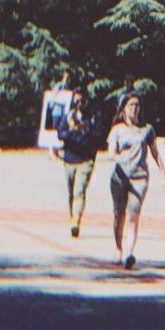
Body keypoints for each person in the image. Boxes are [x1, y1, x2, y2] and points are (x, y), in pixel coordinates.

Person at [104, 90, 165, 267]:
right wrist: (117, 157)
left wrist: (163, 173)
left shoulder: (147, 130)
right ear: (123, 109)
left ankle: (129, 252)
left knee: (134, 214)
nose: (134, 109)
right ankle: (118, 248)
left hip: (139, 178)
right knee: (119, 214)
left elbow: (155, 152)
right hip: (120, 177)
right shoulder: (117, 130)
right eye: (131, 105)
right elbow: (111, 151)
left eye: (137, 105)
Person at [57, 82, 105, 239]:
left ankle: (76, 222)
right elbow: (61, 133)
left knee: (79, 191)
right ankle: (73, 217)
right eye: (76, 100)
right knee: (71, 193)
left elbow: (99, 138)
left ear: (87, 101)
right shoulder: (69, 116)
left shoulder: (93, 118)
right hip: (70, 159)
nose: (79, 104)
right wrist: (75, 134)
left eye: (81, 100)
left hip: (86, 160)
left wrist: (84, 129)